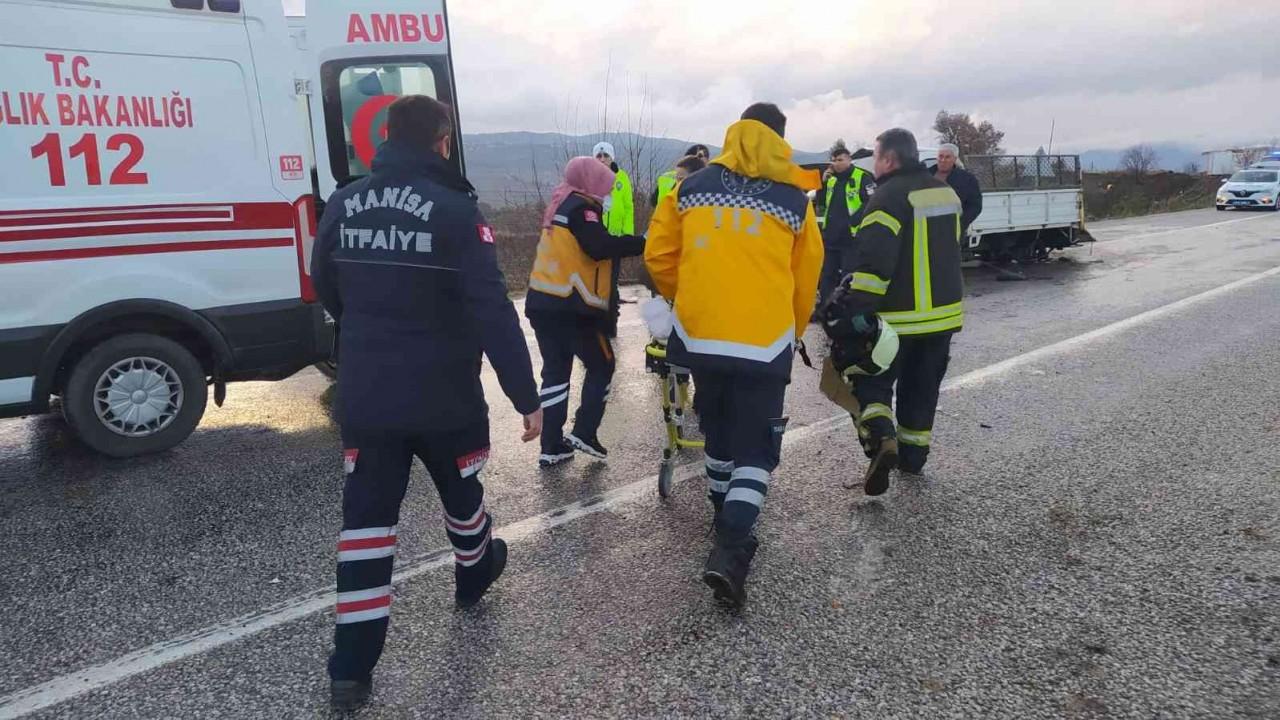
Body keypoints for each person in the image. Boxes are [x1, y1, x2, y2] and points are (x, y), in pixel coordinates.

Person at [310, 96, 542, 711]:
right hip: (444, 395)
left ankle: (351, 668)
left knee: (365, 528)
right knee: (462, 492)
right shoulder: (457, 211)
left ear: (386, 139)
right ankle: (474, 570)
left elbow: (324, 280)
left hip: (368, 394)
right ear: (442, 142)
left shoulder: (342, 201)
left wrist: (363, 329)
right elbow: (491, 310)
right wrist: (527, 395)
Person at [646, 102, 823, 607]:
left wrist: (691, 299)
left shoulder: (689, 188)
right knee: (757, 449)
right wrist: (792, 326)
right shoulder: (796, 200)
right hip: (763, 343)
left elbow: (658, 255)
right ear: (780, 141)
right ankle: (730, 545)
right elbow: (805, 277)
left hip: (700, 338)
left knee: (718, 430)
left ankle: (722, 518)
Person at [837, 128, 964, 495]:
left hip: (898, 319)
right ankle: (913, 458)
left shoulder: (887, 198)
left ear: (889, 159)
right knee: (922, 389)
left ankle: (882, 440)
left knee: (870, 381)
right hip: (943, 316)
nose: (874, 164)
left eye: (876, 157)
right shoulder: (946, 192)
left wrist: (855, 313)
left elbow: (874, 265)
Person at [527, 157, 646, 466]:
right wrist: (643, 242)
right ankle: (585, 430)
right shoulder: (582, 208)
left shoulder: (560, 203)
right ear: (590, 182)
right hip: (573, 306)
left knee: (555, 373)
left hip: (543, 302)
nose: (606, 193)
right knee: (602, 365)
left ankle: (551, 445)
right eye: (604, 186)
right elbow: (599, 246)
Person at [817, 140, 874, 304]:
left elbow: (872, 201)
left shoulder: (862, 177)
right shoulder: (832, 180)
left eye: (840, 160)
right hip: (831, 236)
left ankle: (844, 309)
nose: (837, 163)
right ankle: (825, 308)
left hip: (851, 236)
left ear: (849, 160)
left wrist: (855, 218)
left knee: (847, 276)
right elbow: (821, 204)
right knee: (827, 275)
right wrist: (822, 184)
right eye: (834, 160)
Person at [935, 143, 983, 237]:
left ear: (955, 159)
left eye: (947, 157)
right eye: (940, 156)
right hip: (926, 230)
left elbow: (975, 206)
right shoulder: (927, 175)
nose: (943, 160)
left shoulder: (967, 179)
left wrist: (960, 225)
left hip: (952, 233)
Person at [591, 141, 635, 237]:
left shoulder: (622, 177)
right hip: (596, 234)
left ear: (612, 158)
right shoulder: (589, 177)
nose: (602, 160)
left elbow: (628, 207)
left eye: (606, 156)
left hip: (618, 235)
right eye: (599, 156)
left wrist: (628, 233)